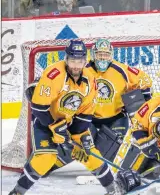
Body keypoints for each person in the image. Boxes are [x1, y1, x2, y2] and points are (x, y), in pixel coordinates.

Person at [2, 40, 121, 195]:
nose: (76, 65)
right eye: (72, 60)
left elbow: (85, 113)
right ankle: (15, 194)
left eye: (79, 61)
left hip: (71, 122)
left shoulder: (90, 80)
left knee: (92, 156)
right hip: (44, 122)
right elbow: (38, 107)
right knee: (45, 160)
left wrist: (81, 137)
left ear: (85, 60)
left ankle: (115, 192)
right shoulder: (54, 74)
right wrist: (54, 126)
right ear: (66, 58)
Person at [40, 38, 152, 177]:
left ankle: (129, 168)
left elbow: (145, 80)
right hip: (87, 118)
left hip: (115, 118)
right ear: (93, 55)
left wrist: (145, 102)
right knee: (76, 145)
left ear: (111, 55)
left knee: (107, 152)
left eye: (105, 55)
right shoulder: (83, 69)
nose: (102, 58)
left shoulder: (121, 70)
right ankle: (47, 165)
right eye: (99, 54)